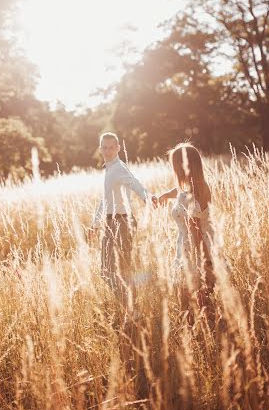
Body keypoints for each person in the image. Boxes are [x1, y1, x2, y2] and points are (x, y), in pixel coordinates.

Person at [87, 132, 156, 310]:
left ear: (118, 148)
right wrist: (95, 225)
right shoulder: (110, 168)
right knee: (107, 271)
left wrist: (147, 197)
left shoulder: (118, 167)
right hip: (111, 223)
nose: (108, 151)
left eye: (111, 147)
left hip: (122, 223)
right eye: (104, 147)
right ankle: (130, 307)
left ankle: (132, 310)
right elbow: (105, 199)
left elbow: (134, 183)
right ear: (100, 148)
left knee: (120, 271)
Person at [158, 142, 214, 298]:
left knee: (190, 299)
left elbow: (195, 229)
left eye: (174, 165)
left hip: (192, 249)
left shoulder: (187, 196)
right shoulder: (201, 186)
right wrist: (166, 195)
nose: (173, 169)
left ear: (183, 166)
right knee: (206, 296)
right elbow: (179, 190)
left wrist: (204, 260)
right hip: (207, 243)